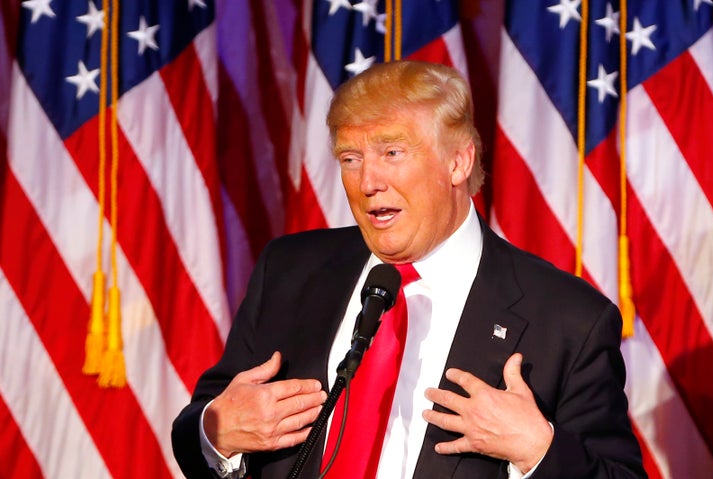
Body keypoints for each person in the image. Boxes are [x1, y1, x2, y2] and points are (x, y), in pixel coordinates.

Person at [172, 60, 647, 479]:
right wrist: (217, 431)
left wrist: (537, 450)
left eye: (391, 153)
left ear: (458, 161)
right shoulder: (290, 270)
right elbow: (203, 425)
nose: (367, 183)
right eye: (350, 159)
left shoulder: (568, 319)